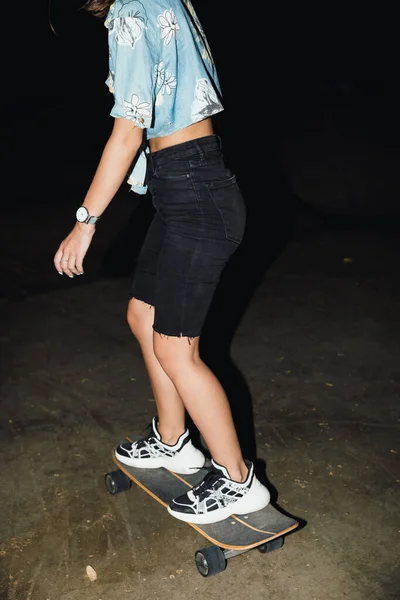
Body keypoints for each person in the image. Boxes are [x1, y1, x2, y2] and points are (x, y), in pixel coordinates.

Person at [53, 0, 270, 525]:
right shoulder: (169, 1)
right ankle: (174, 443)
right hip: (183, 187)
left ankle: (238, 479)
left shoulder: (131, 13)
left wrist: (86, 221)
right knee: (142, 315)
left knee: (177, 349)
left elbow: (128, 131)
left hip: (196, 193)